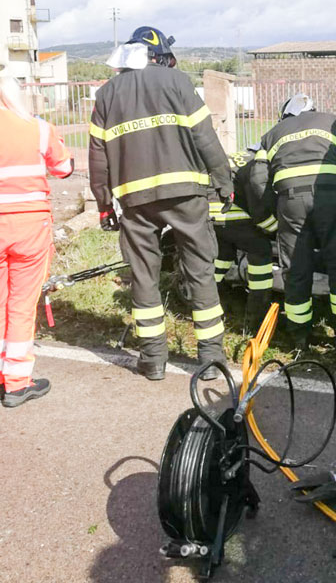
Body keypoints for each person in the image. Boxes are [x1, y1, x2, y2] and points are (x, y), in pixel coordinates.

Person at [89, 27, 233, 381]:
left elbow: (98, 156)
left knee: (143, 275)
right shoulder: (178, 82)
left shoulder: (106, 94)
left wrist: (104, 204)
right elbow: (206, 137)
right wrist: (225, 182)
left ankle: (153, 359)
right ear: (159, 55)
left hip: (135, 201)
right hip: (186, 194)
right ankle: (211, 358)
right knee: (200, 269)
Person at [256, 94, 336, 348]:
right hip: (329, 199)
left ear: (286, 115)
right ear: (312, 109)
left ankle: (299, 340)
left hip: (290, 203)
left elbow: (257, 180)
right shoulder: (331, 121)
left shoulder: (272, 134)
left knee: (296, 271)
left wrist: (273, 215)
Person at [0, 64, 73, 407]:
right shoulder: (37, 128)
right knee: (21, 305)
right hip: (30, 228)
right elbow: (63, 168)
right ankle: (16, 382)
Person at [210, 149, 277, 335]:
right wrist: (275, 229)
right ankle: (255, 324)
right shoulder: (260, 166)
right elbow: (258, 207)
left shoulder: (243, 155)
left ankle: (209, 308)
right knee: (261, 252)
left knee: (222, 256)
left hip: (212, 214)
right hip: (232, 213)